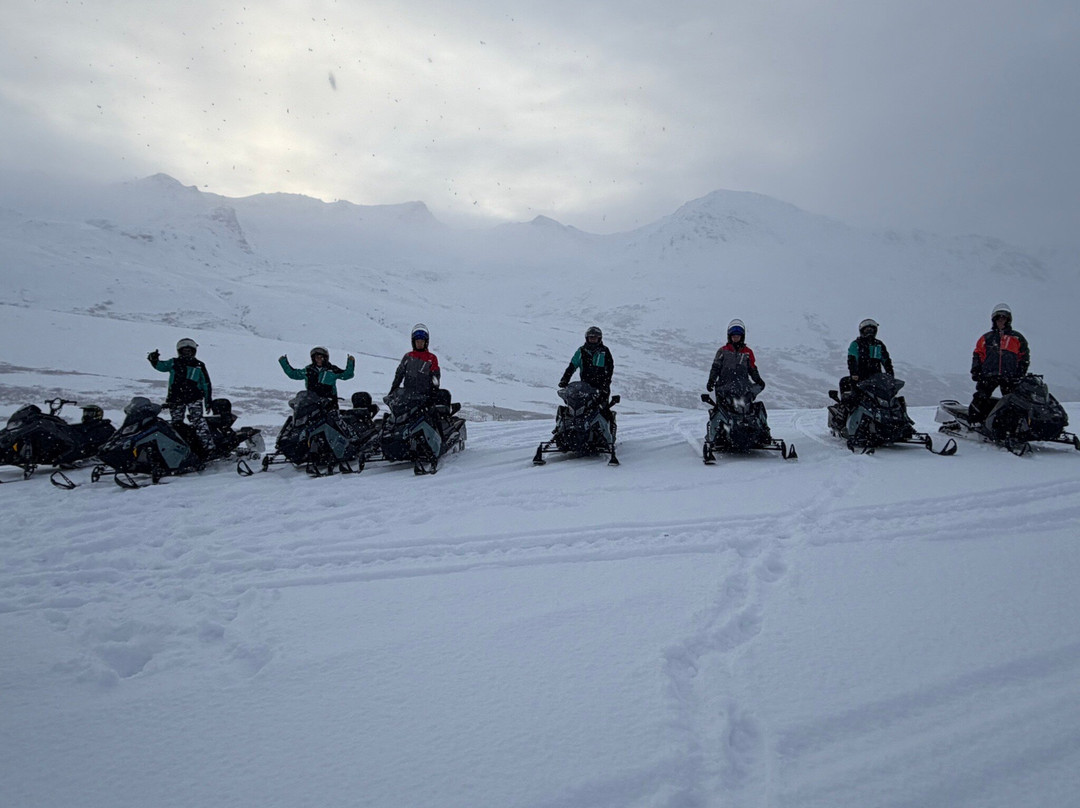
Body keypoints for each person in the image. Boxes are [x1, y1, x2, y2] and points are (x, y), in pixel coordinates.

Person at [148, 338, 216, 452]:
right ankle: (180, 449)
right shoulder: (173, 362)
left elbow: (206, 383)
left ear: (194, 351)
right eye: (184, 350)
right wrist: (154, 360)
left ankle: (208, 448)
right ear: (179, 351)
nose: (187, 353)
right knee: (176, 424)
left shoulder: (199, 365)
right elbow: (161, 366)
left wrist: (208, 401)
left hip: (194, 398)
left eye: (189, 350)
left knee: (198, 422)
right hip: (176, 399)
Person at [969, 303, 1029, 422]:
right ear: (994, 320)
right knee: (980, 398)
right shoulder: (986, 338)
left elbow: (1024, 357)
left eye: (1004, 318)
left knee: (1013, 402)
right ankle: (973, 422)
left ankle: (1009, 426)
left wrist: (1020, 373)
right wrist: (976, 370)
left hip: (1010, 376)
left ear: (1008, 320)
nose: (1001, 321)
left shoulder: (1017, 338)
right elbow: (978, 354)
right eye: (998, 318)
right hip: (989, 374)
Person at [707, 319, 765, 394]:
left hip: (743, 388)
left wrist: (758, 380)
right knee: (720, 403)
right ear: (730, 337)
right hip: (724, 387)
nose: (735, 338)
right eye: (734, 336)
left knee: (754, 403)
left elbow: (752, 368)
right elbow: (715, 367)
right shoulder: (722, 351)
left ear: (742, 337)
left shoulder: (748, 352)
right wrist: (711, 381)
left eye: (738, 336)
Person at [279, 346, 355, 403]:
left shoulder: (332, 370)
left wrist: (350, 362)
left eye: (321, 357)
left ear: (325, 358)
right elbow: (293, 374)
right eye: (316, 357)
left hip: (330, 402)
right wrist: (283, 362)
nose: (319, 359)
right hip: (311, 402)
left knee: (333, 421)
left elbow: (347, 375)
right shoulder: (308, 370)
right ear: (313, 358)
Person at [389, 324, 441, 400]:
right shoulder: (408, 357)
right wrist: (393, 389)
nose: (420, 344)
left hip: (425, 396)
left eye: (422, 341)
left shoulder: (432, 358)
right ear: (414, 342)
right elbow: (399, 375)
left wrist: (434, 392)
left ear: (426, 342)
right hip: (408, 396)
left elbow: (435, 378)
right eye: (417, 342)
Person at [559, 326, 614, 396]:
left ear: (599, 338)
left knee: (602, 406)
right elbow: (572, 366)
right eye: (591, 337)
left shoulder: (604, 351)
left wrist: (606, 384)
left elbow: (610, 368)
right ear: (587, 338)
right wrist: (565, 379)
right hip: (585, 386)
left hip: (601, 388)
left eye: (595, 338)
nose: (593, 339)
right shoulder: (581, 351)